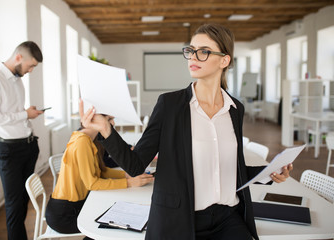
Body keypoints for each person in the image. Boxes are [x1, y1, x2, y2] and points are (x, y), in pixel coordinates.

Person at [80, 23, 293, 240]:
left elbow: (230, 169)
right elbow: (135, 166)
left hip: (228, 218)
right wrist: (106, 129)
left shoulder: (235, 109)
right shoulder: (169, 105)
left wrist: (269, 172)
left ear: (224, 60)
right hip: (180, 220)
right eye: (191, 51)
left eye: (203, 52)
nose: (193, 57)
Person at [0, 41, 44, 240]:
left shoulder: (17, 80)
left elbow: (13, 113)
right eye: (30, 66)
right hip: (9, 151)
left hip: (28, 146)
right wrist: (24, 115)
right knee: (14, 205)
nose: (31, 70)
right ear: (18, 58)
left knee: (23, 201)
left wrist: (26, 113)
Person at [45, 124, 154, 234]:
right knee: (112, 228)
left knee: (112, 219)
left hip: (73, 206)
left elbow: (102, 171)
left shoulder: (89, 139)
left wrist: (127, 175)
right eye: (109, 120)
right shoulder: (82, 141)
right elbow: (92, 184)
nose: (113, 124)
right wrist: (129, 183)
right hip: (64, 214)